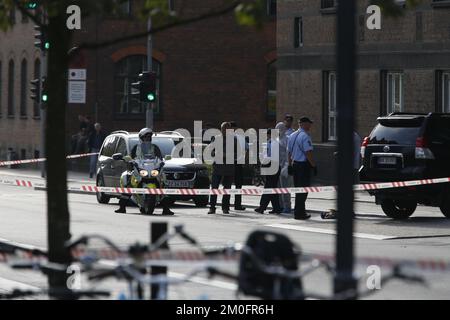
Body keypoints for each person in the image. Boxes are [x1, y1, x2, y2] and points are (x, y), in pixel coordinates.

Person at [115, 128, 173, 215]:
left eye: (149, 137)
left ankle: (166, 209)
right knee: (127, 180)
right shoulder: (136, 148)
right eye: (145, 137)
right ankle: (122, 207)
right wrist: (129, 160)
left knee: (164, 183)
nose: (147, 139)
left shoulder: (155, 147)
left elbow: (160, 158)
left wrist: (161, 163)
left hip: (151, 169)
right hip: (140, 168)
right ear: (141, 138)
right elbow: (131, 158)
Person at [287, 117, 317, 220]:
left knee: (298, 189)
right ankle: (300, 213)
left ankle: (299, 211)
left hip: (295, 165)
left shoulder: (292, 135)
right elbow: (308, 152)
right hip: (303, 166)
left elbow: (289, 152)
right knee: (303, 190)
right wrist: (314, 165)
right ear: (304, 124)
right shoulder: (305, 136)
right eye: (309, 124)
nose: (310, 126)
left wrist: (290, 165)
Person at [208, 122, 236, 214]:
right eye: (224, 129)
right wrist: (215, 154)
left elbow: (239, 154)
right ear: (221, 129)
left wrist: (227, 155)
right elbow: (210, 152)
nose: (226, 131)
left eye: (228, 129)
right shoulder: (216, 139)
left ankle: (225, 207)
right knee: (214, 188)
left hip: (229, 168)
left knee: (227, 189)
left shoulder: (234, 140)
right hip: (218, 168)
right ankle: (212, 207)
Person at [255, 129, 282, 214]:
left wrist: (264, 159)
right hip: (270, 165)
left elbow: (272, 156)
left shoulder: (274, 144)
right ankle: (277, 207)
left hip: (272, 165)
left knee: (268, 187)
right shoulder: (269, 143)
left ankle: (262, 207)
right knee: (272, 187)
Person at [274, 122, 292, 214]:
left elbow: (289, 153)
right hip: (277, 166)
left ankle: (287, 206)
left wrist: (287, 165)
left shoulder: (287, 139)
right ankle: (280, 206)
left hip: (284, 166)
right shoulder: (276, 139)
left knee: (285, 188)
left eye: (279, 130)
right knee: (278, 187)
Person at [230, 121, 247, 211]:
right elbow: (246, 149)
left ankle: (226, 205)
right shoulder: (240, 137)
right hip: (237, 163)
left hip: (229, 163)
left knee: (228, 185)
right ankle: (237, 205)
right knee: (238, 184)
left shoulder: (227, 137)